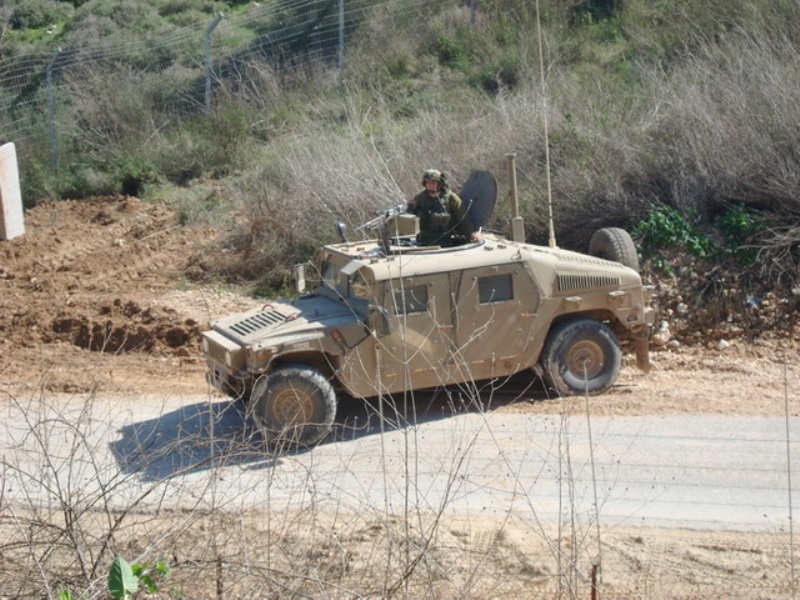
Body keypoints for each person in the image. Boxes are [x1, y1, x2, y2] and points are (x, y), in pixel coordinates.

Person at [406, 169, 481, 246]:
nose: (430, 185)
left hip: (445, 242)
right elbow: (409, 217)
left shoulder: (451, 198)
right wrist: (410, 209)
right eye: (428, 182)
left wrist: (471, 234)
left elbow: (463, 219)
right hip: (423, 240)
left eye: (433, 182)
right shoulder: (420, 197)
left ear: (440, 183)